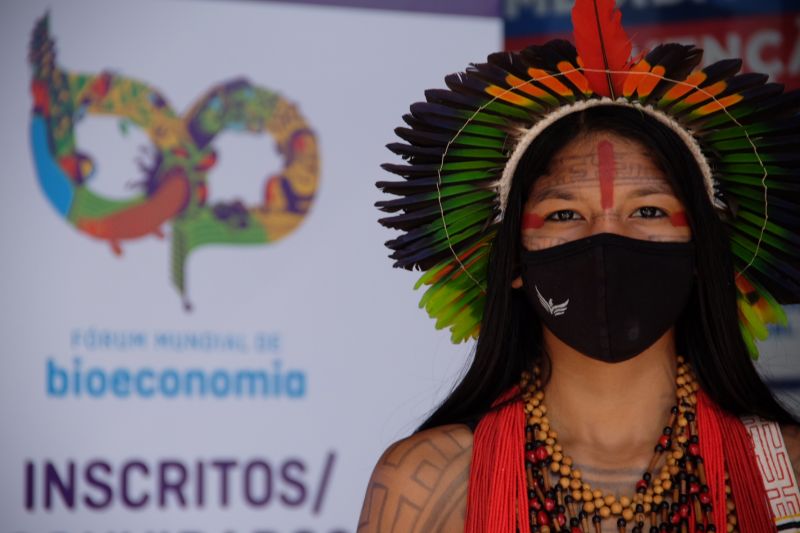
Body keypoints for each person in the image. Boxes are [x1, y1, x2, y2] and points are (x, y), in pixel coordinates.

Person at [359, 2, 800, 532]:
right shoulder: (430, 482)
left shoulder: (790, 473)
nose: (606, 238)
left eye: (648, 211)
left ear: (701, 252)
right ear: (514, 259)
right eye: (565, 215)